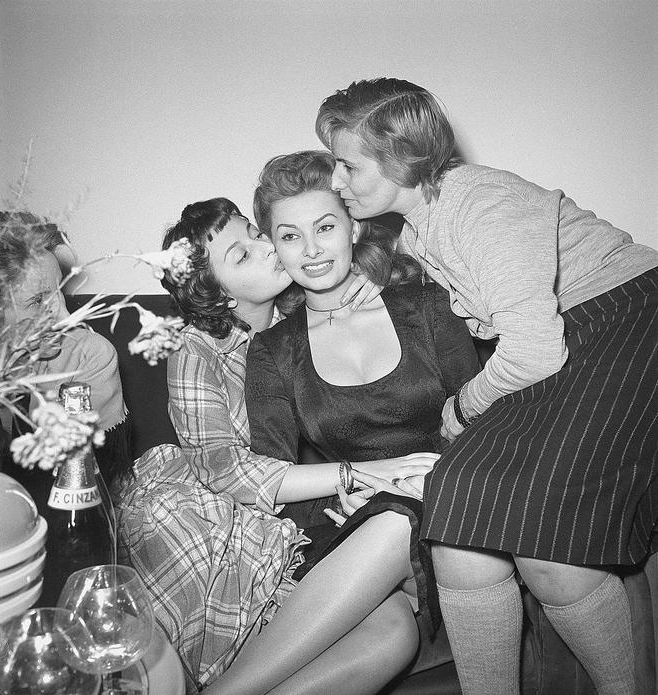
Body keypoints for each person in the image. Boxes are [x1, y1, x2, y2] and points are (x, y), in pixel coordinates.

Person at [315, 76, 658, 695]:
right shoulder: (418, 228)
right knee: (454, 507)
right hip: (566, 338)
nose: (336, 182)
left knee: (553, 550)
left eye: (346, 165)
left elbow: (530, 347)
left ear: (398, 156)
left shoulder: (480, 202)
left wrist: (464, 404)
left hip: (628, 320)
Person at [117, 196, 447, 695]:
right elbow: (226, 473)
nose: (266, 245)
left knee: (396, 636)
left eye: (254, 231)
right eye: (241, 254)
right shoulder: (196, 349)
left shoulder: (312, 305)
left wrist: (367, 287)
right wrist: (358, 475)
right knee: (392, 625)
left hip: (320, 509)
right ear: (221, 296)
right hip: (225, 524)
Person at [243, 149, 481, 676]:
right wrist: (343, 487)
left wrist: (433, 476)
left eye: (325, 227)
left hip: (451, 509)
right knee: (391, 638)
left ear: (354, 227)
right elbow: (270, 474)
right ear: (274, 248)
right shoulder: (273, 350)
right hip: (351, 525)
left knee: (400, 515)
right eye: (289, 236)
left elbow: (483, 416)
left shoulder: (424, 302)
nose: (310, 250)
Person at [0, 211, 131, 498]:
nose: (66, 316)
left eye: (60, 292)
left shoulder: (90, 355)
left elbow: (83, 484)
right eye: (37, 301)